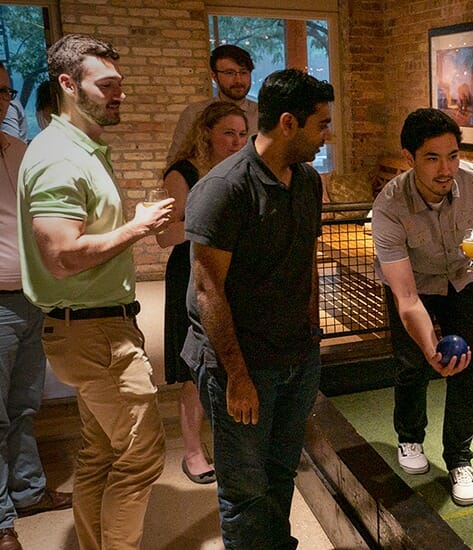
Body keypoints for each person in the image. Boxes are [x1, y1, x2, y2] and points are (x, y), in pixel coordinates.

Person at [17, 34, 172, 549]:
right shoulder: (60, 156)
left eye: (119, 84)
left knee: (100, 453)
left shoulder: (80, 149)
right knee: (142, 456)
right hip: (94, 333)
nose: (118, 94)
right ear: (68, 85)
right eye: (106, 85)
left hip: (94, 327)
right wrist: (139, 226)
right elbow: (60, 256)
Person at [181, 69, 333, 549]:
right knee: (245, 490)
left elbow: (306, 258)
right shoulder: (224, 188)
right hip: (241, 363)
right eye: (321, 124)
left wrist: (312, 336)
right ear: (289, 123)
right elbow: (208, 291)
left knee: (281, 472)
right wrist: (237, 376)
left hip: (294, 356)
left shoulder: (307, 181)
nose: (327, 134)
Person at [371, 108, 473, 507]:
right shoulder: (389, 205)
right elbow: (407, 298)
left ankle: (460, 460)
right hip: (415, 287)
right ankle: (410, 437)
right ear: (409, 158)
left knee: (467, 369)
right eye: (432, 158)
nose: (445, 168)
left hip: (463, 281)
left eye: (452, 156)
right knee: (413, 365)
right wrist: (430, 346)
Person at [0, 61, 72, 550]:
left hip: (29, 297)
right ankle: (2, 516)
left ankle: (28, 491)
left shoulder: (20, 150)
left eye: (3, 90)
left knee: (25, 406)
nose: (0, 98)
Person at [157, 101, 248, 484]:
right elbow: (165, 235)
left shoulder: (242, 170)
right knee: (193, 369)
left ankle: (234, 442)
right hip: (191, 273)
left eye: (243, 134)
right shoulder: (184, 173)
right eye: (228, 133)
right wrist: (214, 221)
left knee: (231, 358)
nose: (236, 141)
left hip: (232, 273)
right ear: (206, 133)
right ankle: (192, 450)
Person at [166, 44, 257, 165]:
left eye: (244, 72)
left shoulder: (263, 114)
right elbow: (175, 161)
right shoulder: (195, 113)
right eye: (230, 73)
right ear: (214, 76)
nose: (238, 80)